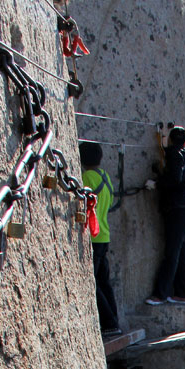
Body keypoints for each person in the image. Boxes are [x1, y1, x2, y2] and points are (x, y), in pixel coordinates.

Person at [145, 126, 185, 305]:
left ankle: (160, 293)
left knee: (172, 252)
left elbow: (175, 178)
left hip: (176, 207)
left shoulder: (175, 154)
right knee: (181, 251)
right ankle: (181, 293)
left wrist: (157, 183)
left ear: (171, 141)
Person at [79, 141, 120, 337]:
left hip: (93, 236)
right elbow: (109, 202)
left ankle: (108, 322)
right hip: (104, 234)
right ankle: (114, 322)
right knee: (104, 281)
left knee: (93, 282)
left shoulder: (87, 177)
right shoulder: (106, 178)